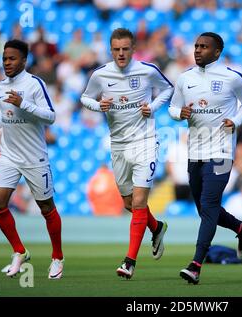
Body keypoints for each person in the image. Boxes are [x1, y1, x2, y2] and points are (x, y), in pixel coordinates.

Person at [80, 28, 173, 279]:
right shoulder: (100, 75)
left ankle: (129, 261)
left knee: (140, 202)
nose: (121, 53)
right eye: (117, 50)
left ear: (133, 49)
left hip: (144, 141)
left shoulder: (147, 70)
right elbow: (85, 98)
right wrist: (99, 105)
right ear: (111, 51)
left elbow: (167, 89)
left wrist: (152, 107)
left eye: (125, 49)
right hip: (118, 144)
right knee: (129, 204)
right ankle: (157, 228)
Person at [168, 32, 242, 284]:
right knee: (205, 210)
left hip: (221, 153)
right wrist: (179, 114)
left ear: (217, 52)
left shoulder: (232, 77)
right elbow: (173, 107)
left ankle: (195, 265)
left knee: (208, 207)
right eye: (196, 46)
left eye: (204, 47)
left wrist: (236, 120)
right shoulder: (185, 78)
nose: (197, 50)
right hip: (194, 153)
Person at [0, 39, 64, 279]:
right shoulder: (0, 86)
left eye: (12, 58)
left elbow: (51, 117)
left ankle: (57, 257)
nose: (7, 62)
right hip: (8, 154)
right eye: (5, 58)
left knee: (46, 208)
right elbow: (3, 111)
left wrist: (24, 104)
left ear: (24, 61)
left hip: (34, 156)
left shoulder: (35, 84)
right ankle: (19, 251)